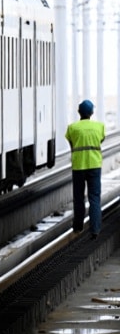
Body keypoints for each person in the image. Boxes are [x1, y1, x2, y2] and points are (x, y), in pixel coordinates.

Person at [66, 100, 105, 239]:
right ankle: (95, 229)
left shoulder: (72, 128)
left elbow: (71, 143)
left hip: (79, 166)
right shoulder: (99, 127)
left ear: (79, 112)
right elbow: (101, 140)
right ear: (92, 113)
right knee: (94, 198)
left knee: (78, 198)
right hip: (94, 165)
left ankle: (78, 227)